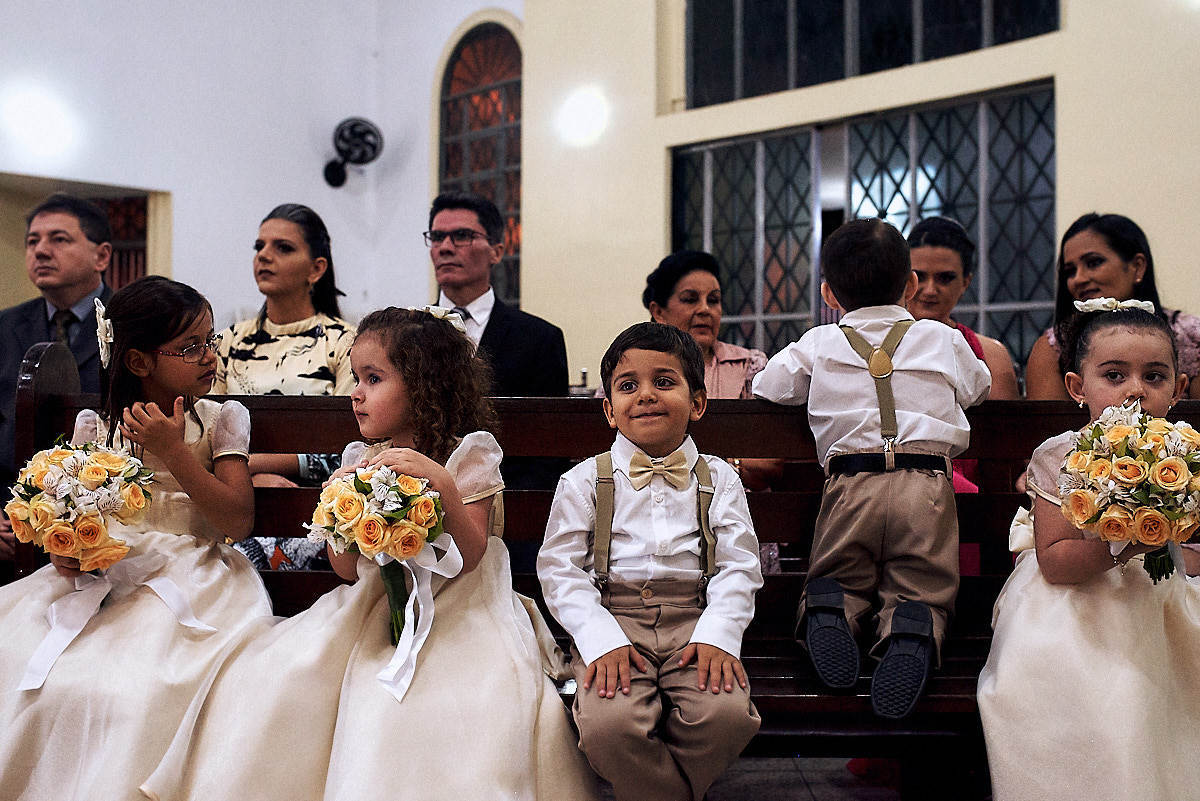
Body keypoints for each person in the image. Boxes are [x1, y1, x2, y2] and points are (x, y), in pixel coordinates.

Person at [142, 306, 597, 801]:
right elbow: (344, 571)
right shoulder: (359, 460)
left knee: (453, 700)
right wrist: (343, 517)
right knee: (279, 678)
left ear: (424, 386)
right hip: (373, 606)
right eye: (355, 378)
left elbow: (469, 555)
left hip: (462, 609)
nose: (355, 392)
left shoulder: (470, 454)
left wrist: (440, 482)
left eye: (373, 379)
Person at [0, 276, 272, 798]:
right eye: (190, 346)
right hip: (107, 570)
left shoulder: (219, 420)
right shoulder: (97, 426)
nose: (208, 355)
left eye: (210, 340)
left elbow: (237, 521)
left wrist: (173, 453)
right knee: (36, 667)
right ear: (139, 362)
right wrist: (67, 553)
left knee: (141, 683)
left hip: (193, 573)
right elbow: (69, 515)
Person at [753, 218, 991, 719]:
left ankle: (829, 609)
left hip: (850, 482)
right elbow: (979, 387)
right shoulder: (940, 338)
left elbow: (769, 387)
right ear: (909, 285)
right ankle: (911, 630)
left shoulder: (819, 342)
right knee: (922, 580)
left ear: (828, 293)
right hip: (925, 485)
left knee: (840, 569)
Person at [977, 301, 1200, 800]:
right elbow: (1055, 563)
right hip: (1072, 598)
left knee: (1162, 686)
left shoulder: (1186, 452)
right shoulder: (1058, 455)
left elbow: (1188, 547)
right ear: (1079, 387)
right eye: (1115, 375)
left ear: (1179, 390)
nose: (1136, 389)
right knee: (1091, 679)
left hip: (1160, 594)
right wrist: (1128, 542)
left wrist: (1173, 540)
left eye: (1155, 376)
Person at [539, 321, 763, 801]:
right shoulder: (583, 481)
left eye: (664, 381)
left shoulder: (719, 478)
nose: (645, 395)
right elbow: (559, 570)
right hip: (613, 619)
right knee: (608, 727)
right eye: (628, 386)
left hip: (696, 617)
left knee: (724, 717)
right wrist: (598, 640)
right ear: (609, 410)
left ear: (697, 402)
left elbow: (739, 565)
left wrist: (719, 635)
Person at [212, 203, 355, 569]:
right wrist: (249, 473)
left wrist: (254, 464)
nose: (264, 256)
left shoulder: (344, 342)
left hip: (316, 499)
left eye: (283, 248)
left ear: (317, 268)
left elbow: (354, 448)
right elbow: (204, 434)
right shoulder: (228, 342)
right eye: (259, 247)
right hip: (231, 494)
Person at [0, 193, 114, 562]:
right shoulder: (6, 326)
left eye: (59, 239)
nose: (41, 251)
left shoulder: (132, 324)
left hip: (107, 515)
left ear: (102, 256)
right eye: (33, 241)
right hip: (9, 516)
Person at [1025, 212, 1200, 400]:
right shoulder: (1054, 347)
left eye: (1094, 263)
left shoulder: (1191, 337)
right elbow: (1047, 426)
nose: (1079, 279)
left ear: (1137, 266)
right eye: (1070, 271)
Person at [907, 217, 1019, 400]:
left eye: (944, 278)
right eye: (919, 276)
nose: (929, 290)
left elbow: (1005, 428)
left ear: (965, 282)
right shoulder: (874, 341)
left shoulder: (991, 356)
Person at [643, 250, 767, 399]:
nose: (705, 309)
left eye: (713, 300)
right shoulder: (630, 368)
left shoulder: (749, 367)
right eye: (690, 299)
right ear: (659, 312)